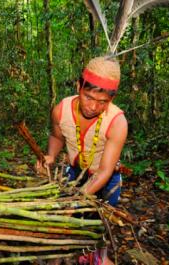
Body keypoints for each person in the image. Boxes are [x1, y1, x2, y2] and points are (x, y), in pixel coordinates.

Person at [37, 57, 127, 264]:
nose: (93, 106)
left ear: (112, 98)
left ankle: (96, 257)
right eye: (88, 97)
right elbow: (57, 136)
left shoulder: (117, 122)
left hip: (106, 179)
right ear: (78, 86)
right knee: (75, 222)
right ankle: (80, 253)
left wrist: (76, 199)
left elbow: (104, 171)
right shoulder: (61, 109)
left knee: (97, 225)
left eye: (102, 101)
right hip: (76, 172)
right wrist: (51, 155)